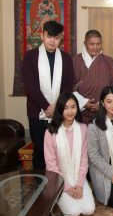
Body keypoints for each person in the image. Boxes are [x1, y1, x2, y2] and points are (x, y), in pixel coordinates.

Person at [22, 20, 74, 170]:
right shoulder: (30, 56)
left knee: (60, 151)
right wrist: (46, 106)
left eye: (56, 37)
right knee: (39, 151)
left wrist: (57, 105)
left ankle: (58, 185)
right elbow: (30, 86)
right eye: (49, 36)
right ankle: (40, 189)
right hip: (37, 113)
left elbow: (68, 85)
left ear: (61, 38)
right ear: (42, 35)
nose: (52, 41)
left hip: (59, 112)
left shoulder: (65, 58)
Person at [44, 93, 95, 216]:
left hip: (78, 176)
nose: (70, 111)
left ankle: (77, 192)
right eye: (66, 108)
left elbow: (84, 160)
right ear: (60, 109)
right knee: (73, 213)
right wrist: (66, 187)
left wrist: (79, 184)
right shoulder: (50, 132)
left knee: (89, 210)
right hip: (59, 179)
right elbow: (51, 165)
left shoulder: (83, 129)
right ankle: (55, 197)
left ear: (77, 108)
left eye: (73, 107)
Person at [73, 30, 113, 124]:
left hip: (104, 113)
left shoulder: (109, 62)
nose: (95, 47)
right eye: (91, 44)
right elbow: (69, 86)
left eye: (98, 44)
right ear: (85, 43)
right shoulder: (75, 61)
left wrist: (103, 104)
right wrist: (84, 103)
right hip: (80, 113)